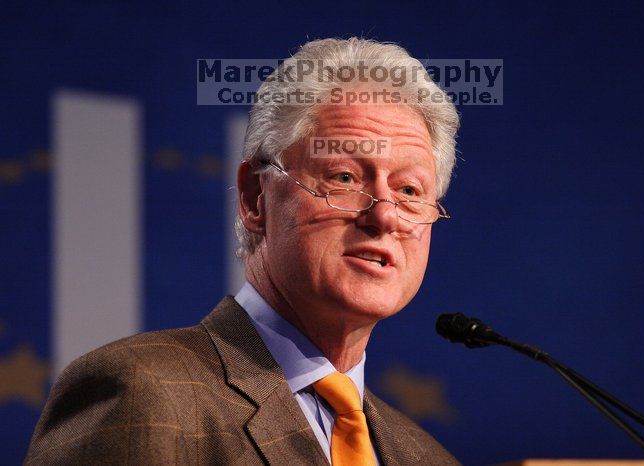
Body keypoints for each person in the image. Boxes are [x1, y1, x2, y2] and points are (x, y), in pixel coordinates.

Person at [26, 37, 461, 465]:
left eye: (408, 190)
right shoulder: (144, 393)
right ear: (256, 197)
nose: (384, 216)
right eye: (344, 178)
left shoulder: (427, 457)